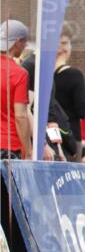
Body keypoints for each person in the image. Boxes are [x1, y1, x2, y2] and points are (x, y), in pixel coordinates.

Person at [53, 29, 85, 161]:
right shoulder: (75, 75)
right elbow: (82, 112)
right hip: (71, 136)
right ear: (65, 47)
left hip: (50, 137)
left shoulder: (43, 75)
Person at [0, 20, 31, 159]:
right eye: (25, 42)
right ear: (17, 42)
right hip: (8, 146)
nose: (26, 46)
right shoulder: (19, 74)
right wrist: (28, 150)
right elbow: (21, 116)